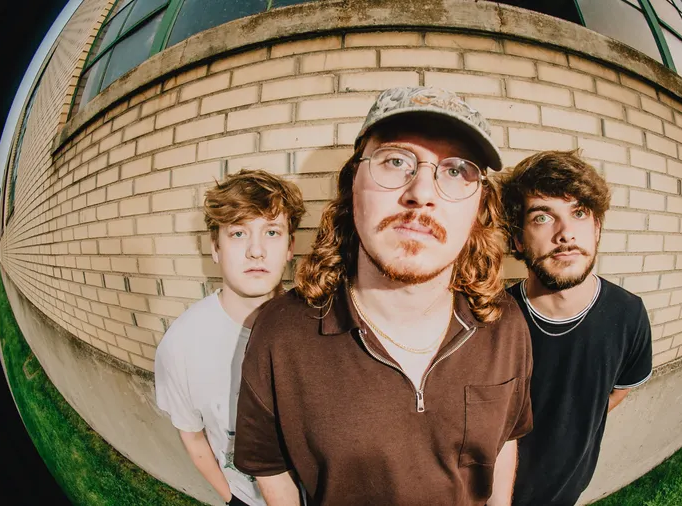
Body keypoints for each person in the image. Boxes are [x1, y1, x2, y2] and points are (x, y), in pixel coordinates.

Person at [232, 86, 533, 506]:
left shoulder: (505, 324)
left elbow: (503, 443)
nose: (421, 193)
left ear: (478, 207)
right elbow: (269, 468)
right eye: (395, 161)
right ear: (352, 185)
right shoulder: (279, 333)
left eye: (456, 170)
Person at [501, 150, 654, 506]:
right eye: (542, 217)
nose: (566, 233)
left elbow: (618, 391)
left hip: (568, 490)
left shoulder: (629, 314)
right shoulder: (493, 319)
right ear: (518, 239)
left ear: (597, 227)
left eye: (580, 213)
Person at [155, 168, 305, 506]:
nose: (256, 251)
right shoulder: (181, 346)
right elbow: (193, 438)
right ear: (216, 248)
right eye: (238, 233)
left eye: (272, 232)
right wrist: (232, 500)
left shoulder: (317, 325)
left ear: (290, 247)